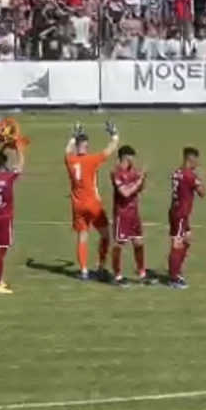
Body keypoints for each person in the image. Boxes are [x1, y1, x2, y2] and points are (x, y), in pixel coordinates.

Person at [63, 121, 120, 281]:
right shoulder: (92, 160)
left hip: (78, 205)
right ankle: (101, 266)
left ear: (77, 147)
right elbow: (110, 150)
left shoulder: (70, 161)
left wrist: (73, 136)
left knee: (82, 236)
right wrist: (114, 134)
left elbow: (67, 150)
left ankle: (83, 270)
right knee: (105, 236)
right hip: (92, 204)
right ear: (86, 147)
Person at [0, 145, 25, 294]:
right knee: (1, 251)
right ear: (4, 164)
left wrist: (4, 145)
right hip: (3, 218)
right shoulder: (7, 177)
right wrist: (18, 147)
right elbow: (21, 165)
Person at [167, 147, 205, 289]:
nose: (197, 163)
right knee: (177, 243)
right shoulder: (190, 176)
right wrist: (199, 179)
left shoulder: (176, 172)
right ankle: (173, 278)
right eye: (196, 160)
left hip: (176, 211)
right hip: (181, 214)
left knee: (187, 239)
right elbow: (202, 192)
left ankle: (177, 270)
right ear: (191, 159)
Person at [110, 146, 147, 287]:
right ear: (126, 157)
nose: (133, 160)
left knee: (138, 242)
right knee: (119, 244)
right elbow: (125, 193)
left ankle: (142, 273)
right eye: (132, 157)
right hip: (122, 214)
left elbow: (140, 189)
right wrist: (138, 182)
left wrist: (142, 180)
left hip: (134, 213)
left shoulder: (132, 172)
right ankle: (117, 276)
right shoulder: (116, 173)